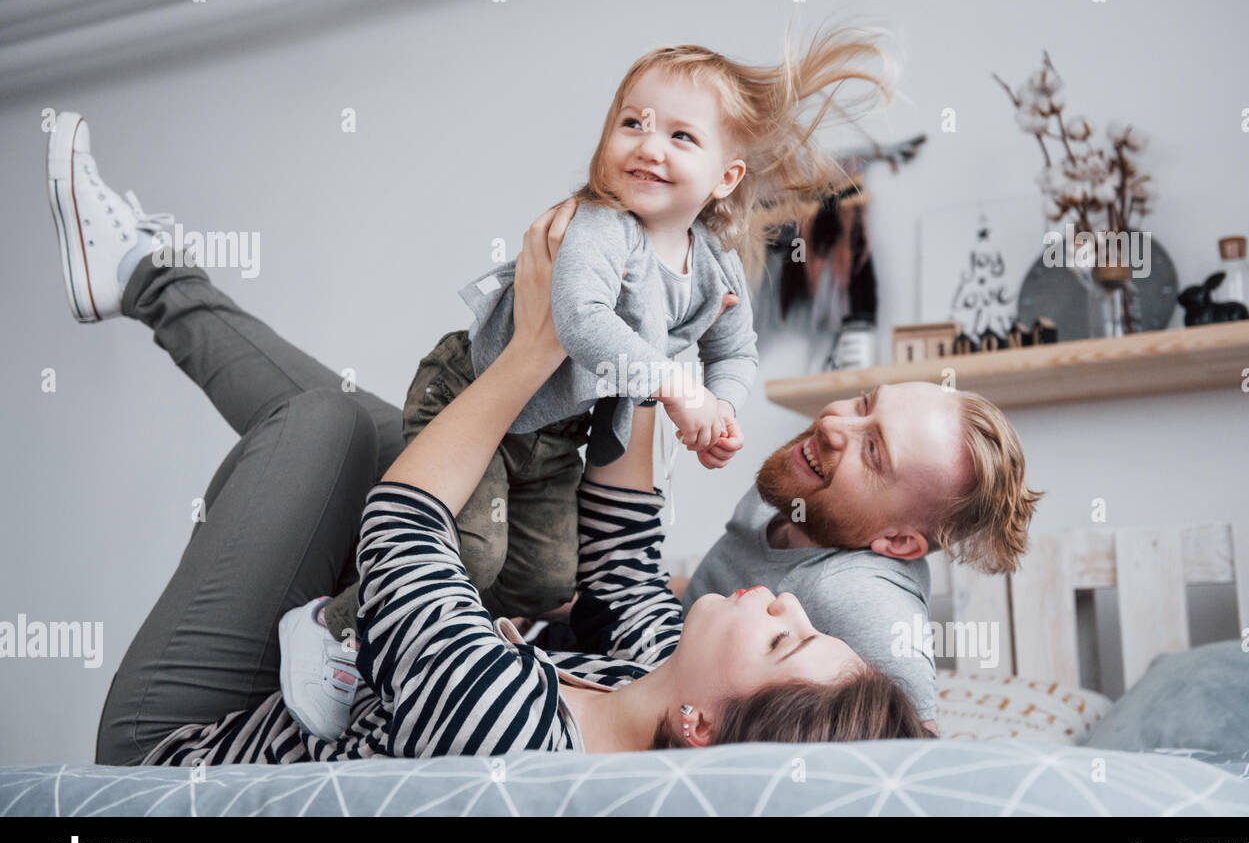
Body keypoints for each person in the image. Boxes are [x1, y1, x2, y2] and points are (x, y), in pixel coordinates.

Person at [48, 112, 933, 765]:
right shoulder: (654, 670)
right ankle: (140, 271)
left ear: (699, 727)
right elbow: (622, 541)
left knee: (334, 426)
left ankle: (143, 273)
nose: (782, 601)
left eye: (783, 639)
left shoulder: (513, 739)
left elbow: (400, 527)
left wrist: (537, 345)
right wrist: (650, 322)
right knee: (376, 426)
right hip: (304, 680)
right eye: (803, 619)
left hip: (177, 741)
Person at [310, 16, 904, 658]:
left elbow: (735, 349)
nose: (650, 146)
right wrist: (679, 386)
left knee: (546, 580)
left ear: (725, 178)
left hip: (555, 432)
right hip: (476, 385)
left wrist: (723, 406)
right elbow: (582, 322)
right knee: (475, 550)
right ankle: (331, 631)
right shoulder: (602, 226)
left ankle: (445, 636)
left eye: (680, 135)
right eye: (633, 123)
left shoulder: (714, 264)